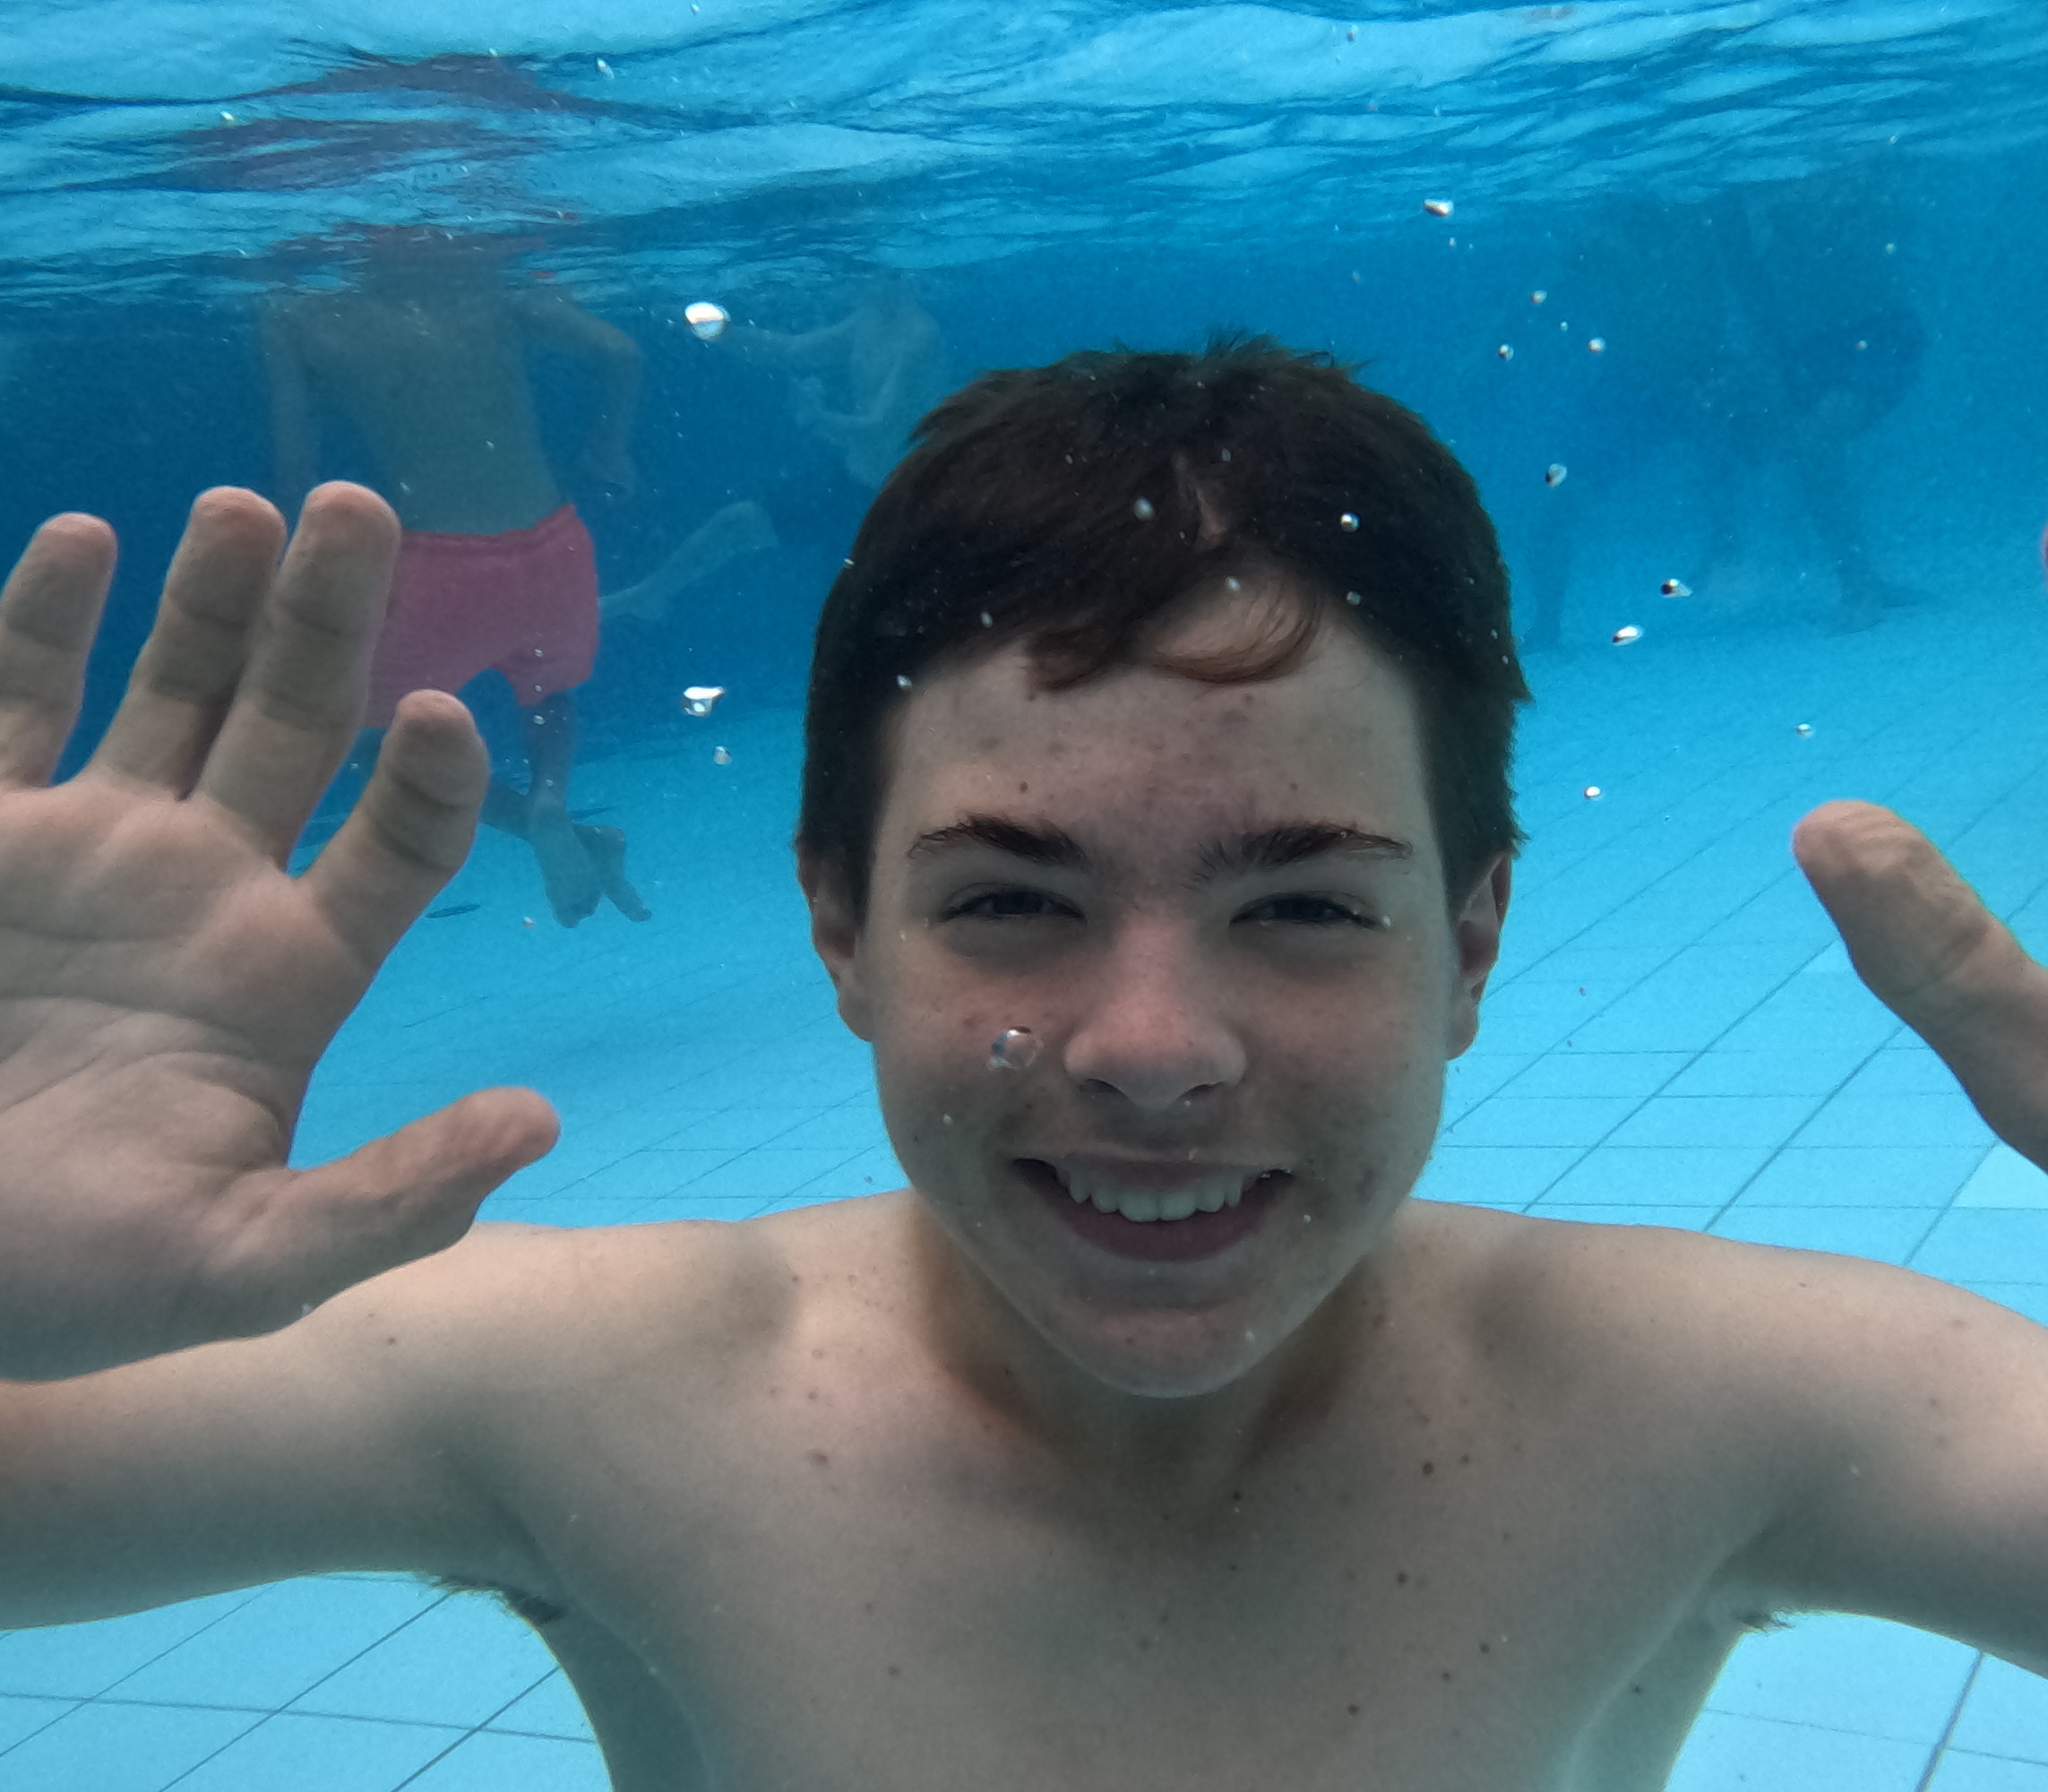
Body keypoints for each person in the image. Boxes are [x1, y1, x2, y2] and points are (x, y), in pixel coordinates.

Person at [4, 340, 2048, 1792]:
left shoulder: (1718, 1404)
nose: (1151, 1051)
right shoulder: (593, 1388)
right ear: (840, 927)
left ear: (1468, 944)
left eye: (1302, 904)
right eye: (1009, 898)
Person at [262, 229, 650, 926]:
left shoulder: (296, 315)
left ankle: (529, 824)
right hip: (554, 542)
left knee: (370, 744)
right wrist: (609, 448)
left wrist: (304, 576)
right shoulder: (483, 287)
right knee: (546, 691)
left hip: (437, 567)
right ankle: (551, 800)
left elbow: (297, 472)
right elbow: (622, 353)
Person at [609, 277, 948, 627]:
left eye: (867, 272)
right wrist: (718, 332)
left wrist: (817, 417)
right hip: (849, 480)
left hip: (890, 498)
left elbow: (880, 432)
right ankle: (649, 593)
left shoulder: (918, 339)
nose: (854, 283)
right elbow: (792, 351)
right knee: (735, 524)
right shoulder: (870, 318)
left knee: (866, 613)